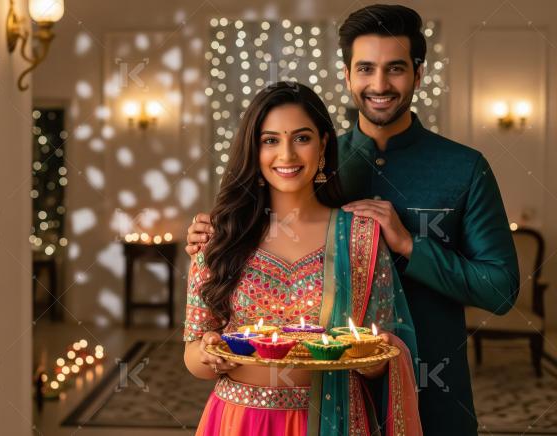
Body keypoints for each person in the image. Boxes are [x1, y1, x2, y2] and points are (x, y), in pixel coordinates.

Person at [186, 5, 520, 435]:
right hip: (329, 400)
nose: (379, 84)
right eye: (365, 68)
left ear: (418, 74)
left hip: (431, 388)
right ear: (346, 75)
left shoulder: (463, 168)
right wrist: (214, 231)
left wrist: (408, 246)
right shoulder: (312, 157)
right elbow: (264, 213)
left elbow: (501, 290)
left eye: (395, 69)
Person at [183, 81, 422, 435]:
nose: (287, 155)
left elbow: (382, 348)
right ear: (254, 148)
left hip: (333, 420)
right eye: (271, 140)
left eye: (302, 138)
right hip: (239, 421)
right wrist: (206, 353)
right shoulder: (220, 236)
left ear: (323, 144)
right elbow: (193, 354)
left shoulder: (358, 236)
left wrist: (375, 359)